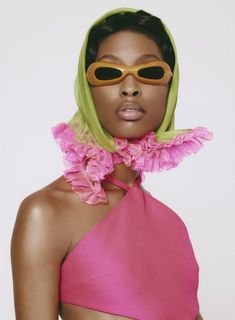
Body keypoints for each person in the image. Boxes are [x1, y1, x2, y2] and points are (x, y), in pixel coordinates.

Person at [11, 7, 212, 320]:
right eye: (108, 73)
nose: (130, 87)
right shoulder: (46, 213)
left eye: (150, 72)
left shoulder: (174, 226)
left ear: (168, 88)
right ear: (88, 88)